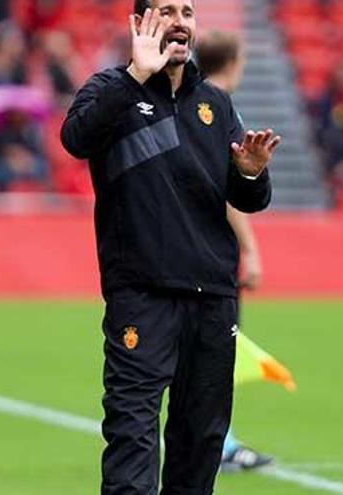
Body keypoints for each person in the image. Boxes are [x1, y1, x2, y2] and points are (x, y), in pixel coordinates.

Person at [60, 1, 281, 493]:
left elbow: (246, 197)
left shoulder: (216, 104)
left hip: (212, 299)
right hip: (142, 294)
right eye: (165, 11)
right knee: (132, 433)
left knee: (200, 444)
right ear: (139, 25)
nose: (180, 20)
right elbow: (76, 139)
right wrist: (137, 75)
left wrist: (250, 171)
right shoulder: (109, 89)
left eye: (187, 11)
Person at [196, 29, 274, 472]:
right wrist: (252, 249)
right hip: (213, 256)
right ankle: (218, 444)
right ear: (235, 62)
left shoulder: (187, 102)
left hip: (186, 252)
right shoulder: (222, 111)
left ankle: (215, 440)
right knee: (215, 353)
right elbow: (228, 193)